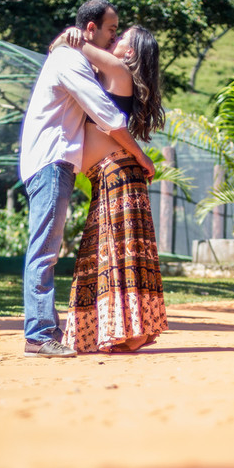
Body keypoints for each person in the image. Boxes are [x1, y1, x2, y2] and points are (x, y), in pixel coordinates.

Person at [19, 0, 155, 359]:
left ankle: (44, 332)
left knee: (48, 248)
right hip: (51, 162)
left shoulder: (77, 56)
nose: (114, 38)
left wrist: (71, 40)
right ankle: (39, 335)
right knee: (45, 251)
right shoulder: (69, 60)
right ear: (91, 28)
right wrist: (140, 154)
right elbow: (106, 113)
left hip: (57, 162)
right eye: (112, 29)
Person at [50, 23, 168, 354]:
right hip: (111, 175)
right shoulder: (110, 76)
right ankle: (128, 331)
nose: (114, 40)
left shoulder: (117, 69)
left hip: (117, 172)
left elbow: (70, 47)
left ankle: (130, 331)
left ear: (129, 52)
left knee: (118, 254)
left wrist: (69, 39)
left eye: (121, 38)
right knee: (115, 254)